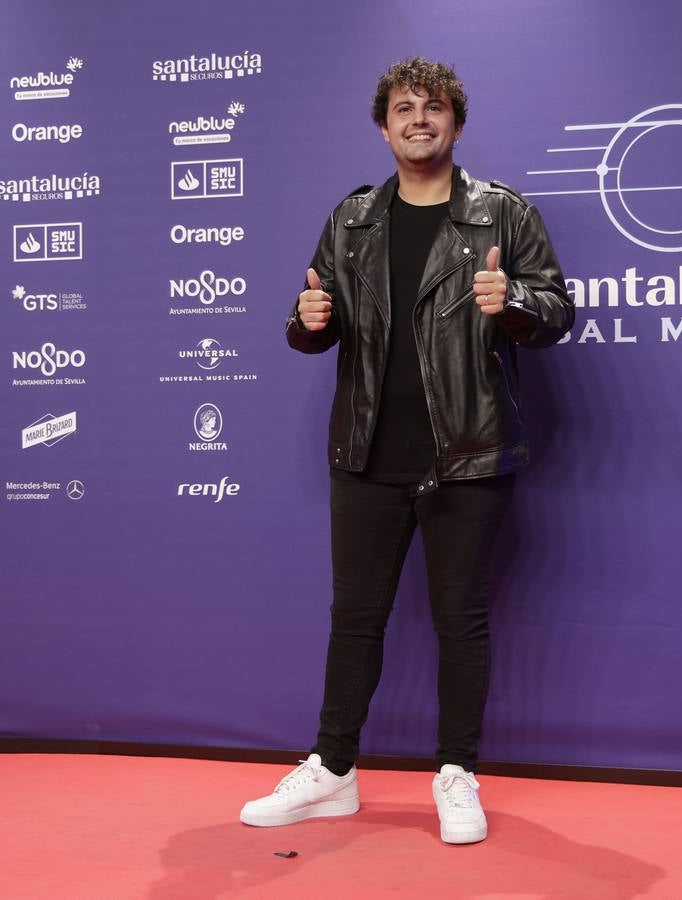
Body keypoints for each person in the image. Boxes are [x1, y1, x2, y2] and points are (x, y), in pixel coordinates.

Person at [240, 57, 573, 845]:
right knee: (354, 619)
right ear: (383, 125)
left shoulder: (503, 214)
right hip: (366, 454)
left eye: (432, 107)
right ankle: (332, 771)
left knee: (461, 620)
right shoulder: (351, 218)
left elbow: (557, 312)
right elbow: (311, 326)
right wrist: (306, 318)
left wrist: (514, 302)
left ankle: (456, 773)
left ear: (454, 121)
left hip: (468, 451)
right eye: (401, 107)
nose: (417, 119)